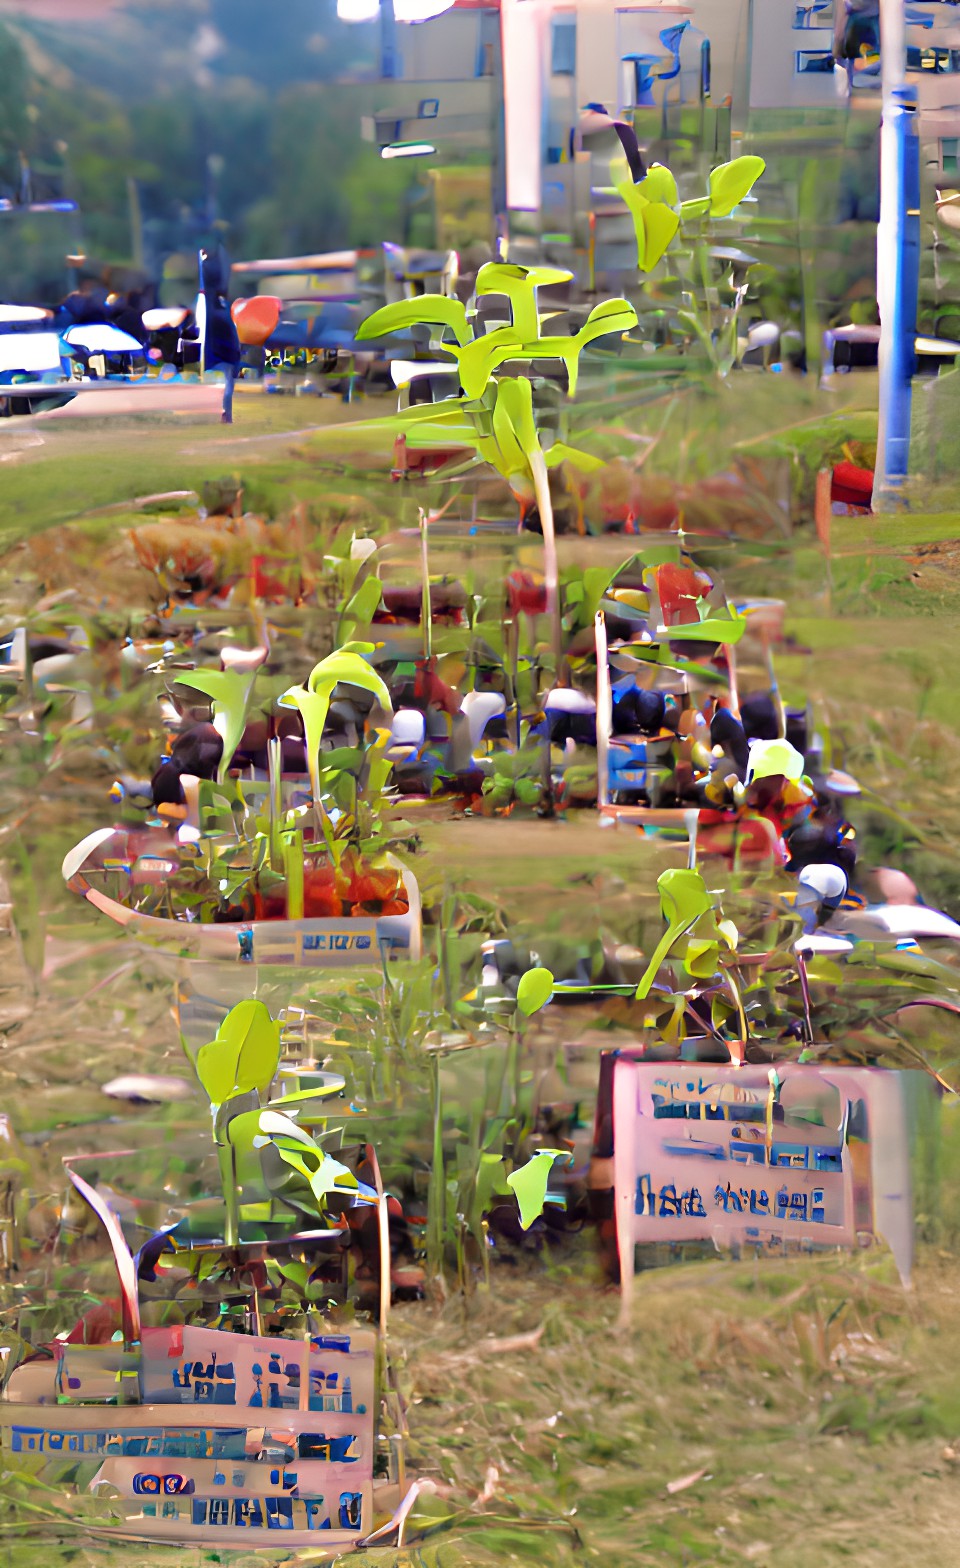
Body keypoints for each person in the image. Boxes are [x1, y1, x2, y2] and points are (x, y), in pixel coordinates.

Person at [198, 244, 241, 423]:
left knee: (225, 383)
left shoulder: (216, 310)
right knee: (226, 384)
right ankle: (225, 414)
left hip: (218, 354)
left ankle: (224, 413)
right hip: (222, 354)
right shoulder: (220, 311)